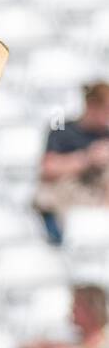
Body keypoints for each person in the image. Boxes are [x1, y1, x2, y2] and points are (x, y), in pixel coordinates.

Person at [35, 83, 109, 246]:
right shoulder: (63, 129)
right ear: (91, 105)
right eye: (106, 110)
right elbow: (48, 168)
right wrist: (88, 158)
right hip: (67, 195)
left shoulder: (106, 134)